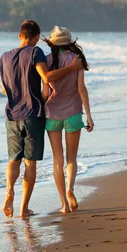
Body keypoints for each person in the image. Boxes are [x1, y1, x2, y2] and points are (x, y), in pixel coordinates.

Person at [0, 20, 83, 218]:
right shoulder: (35, 52)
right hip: (33, 114)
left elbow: (4, 88)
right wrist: (72, 68)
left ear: (20, 35)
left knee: (13, 159)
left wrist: (16, 97)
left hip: (11, 114)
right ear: (36, 38)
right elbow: (46, 78)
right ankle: (23, 208)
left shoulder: (3, 57)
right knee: (30, 162)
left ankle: (9, 190)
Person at [42, 26, 94, 214]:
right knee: (71, 159)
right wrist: (88, 114)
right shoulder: (76, 60)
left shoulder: (46, 61)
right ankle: (71, 189)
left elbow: (46, 92)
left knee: (57, 160)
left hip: (52, 114)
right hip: (73, 113)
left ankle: (64, 204)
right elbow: (81, 89)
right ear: (69, 42)